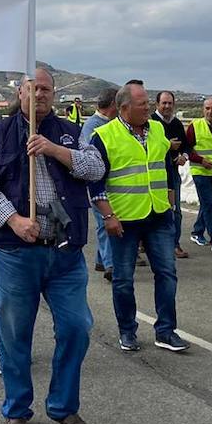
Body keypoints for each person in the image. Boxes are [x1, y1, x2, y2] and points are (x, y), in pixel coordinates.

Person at [0, 68, 104, 424]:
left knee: (77, 327)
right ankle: (17, 408)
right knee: (15, 333)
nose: (41, 95)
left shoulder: (70, 131)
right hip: (17, 252)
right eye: (33, 89)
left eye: (46, 89)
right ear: (21, 92)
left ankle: (63, 407)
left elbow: (96, 168)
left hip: (64, 252)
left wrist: (54, 150)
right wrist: (14, 220)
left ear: (54, 93)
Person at [89, 81, 191, 355]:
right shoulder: (103, 136)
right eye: (142, 104)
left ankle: (166, 331)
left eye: (148, 103)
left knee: (167, 274)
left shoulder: (157, 129)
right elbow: (95, 182)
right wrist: (108, 216)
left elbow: (164, 165)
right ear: (124, 108)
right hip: (124, 220)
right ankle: (127, 331)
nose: (148, 108)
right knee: (123, 279)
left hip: (158, 215)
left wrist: (170, 198)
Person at [79, 88, 118, 280]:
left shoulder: (107, 124)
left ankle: (102, 260)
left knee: (104, 222)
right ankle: (111, 264)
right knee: (105, 220)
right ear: (113, 105)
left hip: (107, 182)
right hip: (96, 182)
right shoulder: (93, 127)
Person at [151, 90, 192, 259]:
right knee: (153, 210)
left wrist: (184, 156)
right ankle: (146, 243)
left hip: (172, 174)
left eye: (170, 103)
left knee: (175, 211)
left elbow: (186, 146)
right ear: (157, 104)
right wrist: (168, 145)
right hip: (154, 175)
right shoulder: (150, 122)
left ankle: (174, 244)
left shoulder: (176, 123)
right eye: (164, 103)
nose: (167, 106)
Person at [185, 96, 212, 254]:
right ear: (203, 110)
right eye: (207, 108)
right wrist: (200, 160)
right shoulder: (195, 126)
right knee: (210, 206)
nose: (210, 111)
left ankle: (197, 232)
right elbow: (187, 149)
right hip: (200, 171)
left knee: (207, 204)